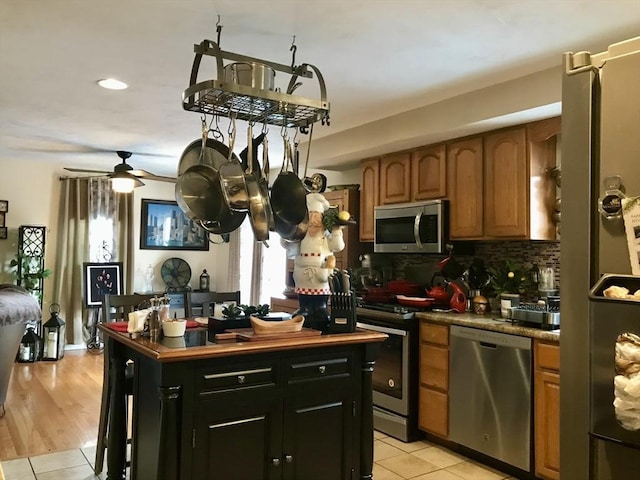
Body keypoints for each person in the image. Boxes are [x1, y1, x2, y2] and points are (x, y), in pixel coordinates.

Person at [292, 193, 345, 331]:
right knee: (304, 297)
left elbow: (338, 247)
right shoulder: (301, 235)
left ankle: (321, 309)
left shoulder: (326, 235)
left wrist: (337, 230)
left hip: (321, 269)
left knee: (320, 297)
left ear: (322, 218)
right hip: (302, 270)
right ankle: (303, 308)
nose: (314, 221)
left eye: (317, 216)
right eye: (311, 216)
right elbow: (288, 244)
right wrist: (287, 232)